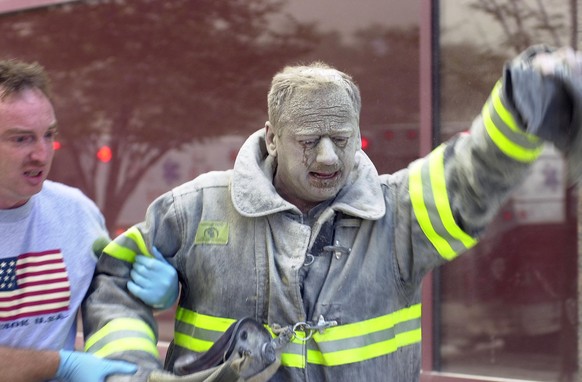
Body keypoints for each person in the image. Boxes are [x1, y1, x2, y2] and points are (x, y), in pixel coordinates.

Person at [82, 45, 582, 381]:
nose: (327, 158)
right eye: (308, 141)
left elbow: (471, 178)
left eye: (342, 140)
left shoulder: (397, 216)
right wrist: (128, 370)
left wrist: (519, 107)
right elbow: (113, 282)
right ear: (272, 138)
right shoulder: (194, 210)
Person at [0, 59, 178, 382]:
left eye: (48, 134)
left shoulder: (76, 214)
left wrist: (158, 292)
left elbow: (112, 295)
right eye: (21, 139)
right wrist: (62, 365)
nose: (42, 153)